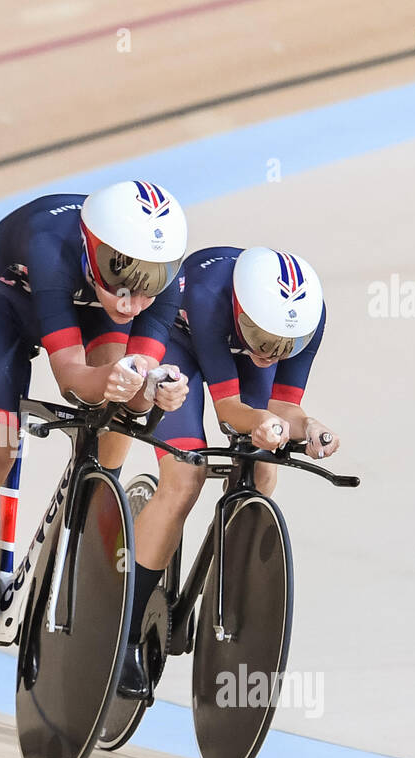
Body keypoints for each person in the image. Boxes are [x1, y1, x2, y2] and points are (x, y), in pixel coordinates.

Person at [0, 180, 192, 680]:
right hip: (7, 304)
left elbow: (138, 378)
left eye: (151, 279)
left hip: (88, 317)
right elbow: (74, 379)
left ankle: (95, 500)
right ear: (90, 245)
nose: (132, 296)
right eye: (120, 271)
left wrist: (158, 390)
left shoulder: (158, 289)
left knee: (120, 407)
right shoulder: (49, 245)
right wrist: (118, 381)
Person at [119, 245, 342, 699]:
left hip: (233, 353)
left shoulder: (305, 319)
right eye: (265, 338)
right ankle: (123, 630)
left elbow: (282, 406)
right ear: (242, 310)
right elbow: (229, 412)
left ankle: (234, 595)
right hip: (181, 346)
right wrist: (261, 422)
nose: (272, 353)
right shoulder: (209, 298)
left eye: (284, 346)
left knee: (262, 474)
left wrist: (310, 426)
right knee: (185, 478)